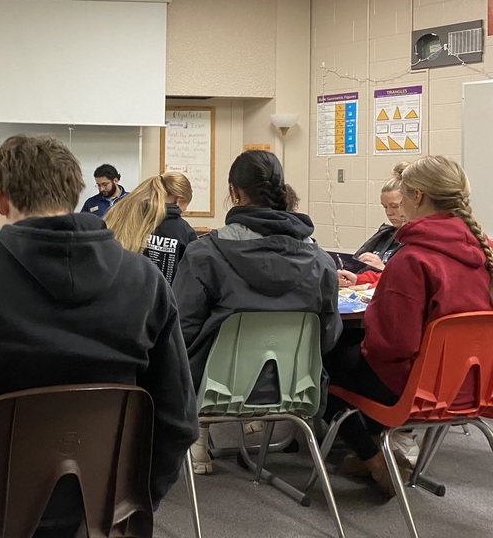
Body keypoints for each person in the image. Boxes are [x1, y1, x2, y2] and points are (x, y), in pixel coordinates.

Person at [0, 135, 199, 538]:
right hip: (102, 516)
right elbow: (178, 421)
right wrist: (130, 504)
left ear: (0, 201)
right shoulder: (146, 279)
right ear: (74, 194)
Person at [323, 155, 493, 497]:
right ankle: (373, 445)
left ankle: (373, 458)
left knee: (321, 365)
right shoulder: (485, 251)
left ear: (416, 197)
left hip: (418, 390)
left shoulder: (413, 258)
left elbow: (392, 347)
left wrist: (372, 316)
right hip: (470, 386)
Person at [172, 150, 342, 475]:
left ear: (234, 192)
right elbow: (329, 336)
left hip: (213, 390)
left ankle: (198, 435)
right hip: (295, 390)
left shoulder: (205, 254)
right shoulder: (320, 261)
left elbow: (182, 331)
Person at [104, 172, 197, 285]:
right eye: (184, 209)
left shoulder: (122, 211)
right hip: (161, 300)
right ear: (177, 200)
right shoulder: (184, 232)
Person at [337, 162, 410, 289]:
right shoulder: (386, 235)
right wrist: (355, 278)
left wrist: (384, 269)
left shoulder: (418, 242)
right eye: (385, 207)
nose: (389, 212)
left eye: (395, 206)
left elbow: (407, 281)